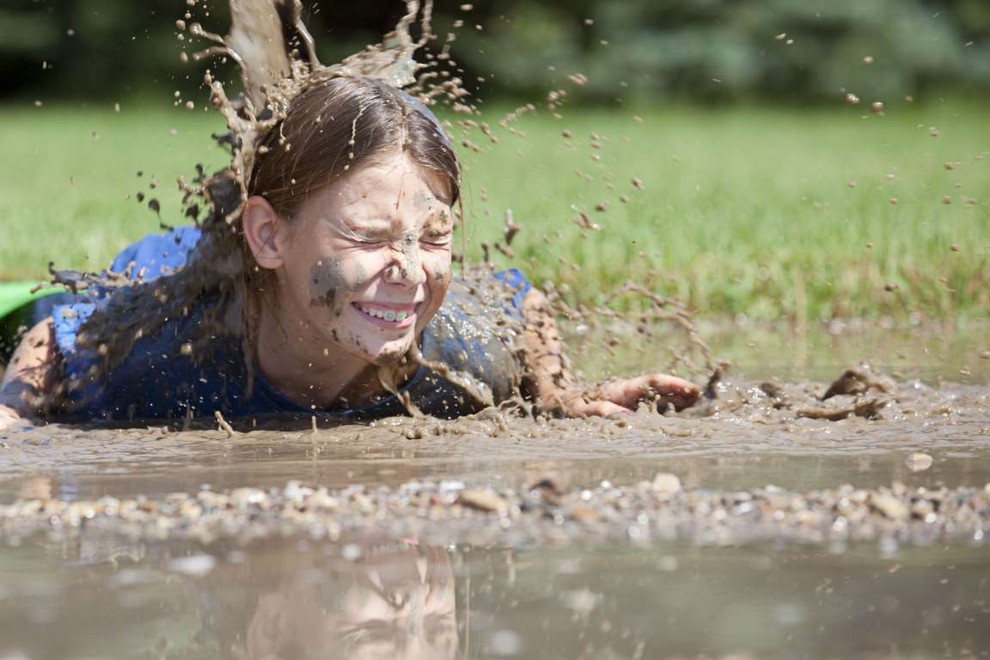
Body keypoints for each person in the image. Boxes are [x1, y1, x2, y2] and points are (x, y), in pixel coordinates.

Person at [0, 77, 699, 430]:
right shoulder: (173, 351)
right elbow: (58, 344)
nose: (408, 271)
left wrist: (553, 391)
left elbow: (520, 300)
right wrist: (15, 417)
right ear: (271, 236)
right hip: (169, 271)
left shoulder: (454, 355)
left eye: (433, 238)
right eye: (366, 237)